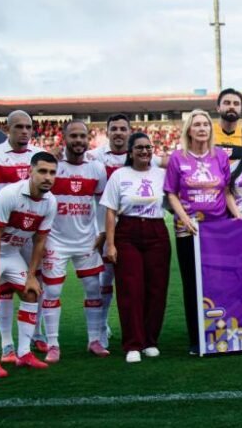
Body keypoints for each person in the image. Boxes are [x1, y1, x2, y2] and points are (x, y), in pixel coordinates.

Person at [0, 152, 58, 378]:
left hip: (10, 249)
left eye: (52, 172)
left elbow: (40, 240)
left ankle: (24, 353)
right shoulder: (10, 194)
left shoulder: (50, 202)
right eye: (42, 171)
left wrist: (32, 275)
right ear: (30, 172)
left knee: (31, 292)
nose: (47, 177)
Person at [0, 110, 44, 363]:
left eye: (28, 127)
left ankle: (35, 336)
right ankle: (6, 345)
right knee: (1, 289)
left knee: (32, 285)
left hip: (25, 233)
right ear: (7, 129)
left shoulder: (38, 155)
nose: (24, 131)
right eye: (19, 127)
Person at [85, 113, 162, 350]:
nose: (118, 132)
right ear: (107, 132)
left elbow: (171, 163)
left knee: (122, 281)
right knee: (101, 280)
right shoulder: (93, 157)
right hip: (100, 227)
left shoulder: (151, 161)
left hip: (130, 228)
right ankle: (99, 328)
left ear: (129, 133)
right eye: (114, 128)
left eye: (122, 129)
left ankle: (130, 333)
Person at [164, 109, 234, 354]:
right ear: (189, 130)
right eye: (197, 125)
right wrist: (185, 219)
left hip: (218, 231)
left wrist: (239, 217)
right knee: (192, 285)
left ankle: (220, 333)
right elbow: (171, 193)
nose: (202, 128)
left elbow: (226, 192)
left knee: (219, 282)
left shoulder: (220, 156)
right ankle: (197, 339)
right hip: (189, 231)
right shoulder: (177, 157)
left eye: (206, 124)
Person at [42, 120, 109, 363]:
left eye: (83, 136)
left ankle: (94, 340)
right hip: (55, 240)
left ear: (88, 139)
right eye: (74, 136)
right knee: (52, 291)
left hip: (86, 241)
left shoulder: (97, 168)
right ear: (64, 138)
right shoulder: (52, 165)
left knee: (93, 289)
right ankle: (52, 344)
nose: (79, 140)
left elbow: (102, 204)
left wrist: (102, 233)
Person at [101, 133, 171, 363]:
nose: (144, 151)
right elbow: (110, 211)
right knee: (130, 289)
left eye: (148, 147)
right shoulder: (120, 175)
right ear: (130, 152)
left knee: (156, 289)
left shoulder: (161, 175)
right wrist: (111, 244)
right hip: (127, 234)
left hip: (156, 232)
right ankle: (133, 343)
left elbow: (173, 202)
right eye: (139, 147)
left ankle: (150, 341)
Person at [213, 88, 242, 163]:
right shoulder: (207, 133)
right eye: (227, 103)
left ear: (241, 109)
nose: (232, 106)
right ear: (218, 108)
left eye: (236, 104)